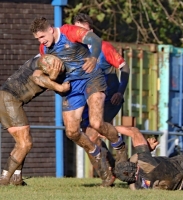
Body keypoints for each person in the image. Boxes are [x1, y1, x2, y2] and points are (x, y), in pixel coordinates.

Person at [29, 17, 128, 183]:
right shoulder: (45, 48)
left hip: (92, 78)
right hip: (72, 87)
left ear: (51, 30)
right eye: (38, 39)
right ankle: (99, 157)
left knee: (96, 124)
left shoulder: (69, 31)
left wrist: (94, 57)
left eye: (42, 37)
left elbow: (95, 40)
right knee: (72, 132)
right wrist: (48, 81)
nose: (41, 41)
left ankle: (120, 145)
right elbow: (37, 68)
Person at [73, 13, 130, 186]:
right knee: (87, 139)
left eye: (82, 30)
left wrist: (120, 91)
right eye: (76, 29)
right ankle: (114, 168)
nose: (79, 33)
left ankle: (110, 173)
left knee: (91, 135)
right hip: (90, 101)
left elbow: (124, 67)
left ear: (91, 30)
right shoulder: (74, 49)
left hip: (110, 98)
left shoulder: (104, 47)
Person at [0, 54, 70, 186]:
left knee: (21, 143)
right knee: (25, 144)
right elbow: (37, 78)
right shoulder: (46, 59)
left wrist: (56, 81)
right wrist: (60, 86)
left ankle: (16, 178)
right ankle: (3, 180)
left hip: (7, 98)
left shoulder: (47, 59)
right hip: (9, 99)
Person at [114, 126, 183, 190]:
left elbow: (131, 183)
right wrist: (109, 128)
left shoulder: (138, 186)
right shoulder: (146, 164)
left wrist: (148, 150)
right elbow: (134, 132)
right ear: (134, 166)